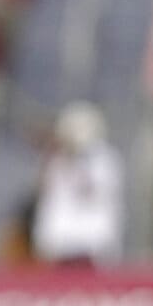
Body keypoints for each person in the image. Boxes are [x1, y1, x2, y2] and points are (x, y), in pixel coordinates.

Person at [31, 100, 124, 267]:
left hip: (92, 244)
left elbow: (93, 190)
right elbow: (44, 192)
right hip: (59, 245)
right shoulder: (56, 160)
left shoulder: (105, 159)